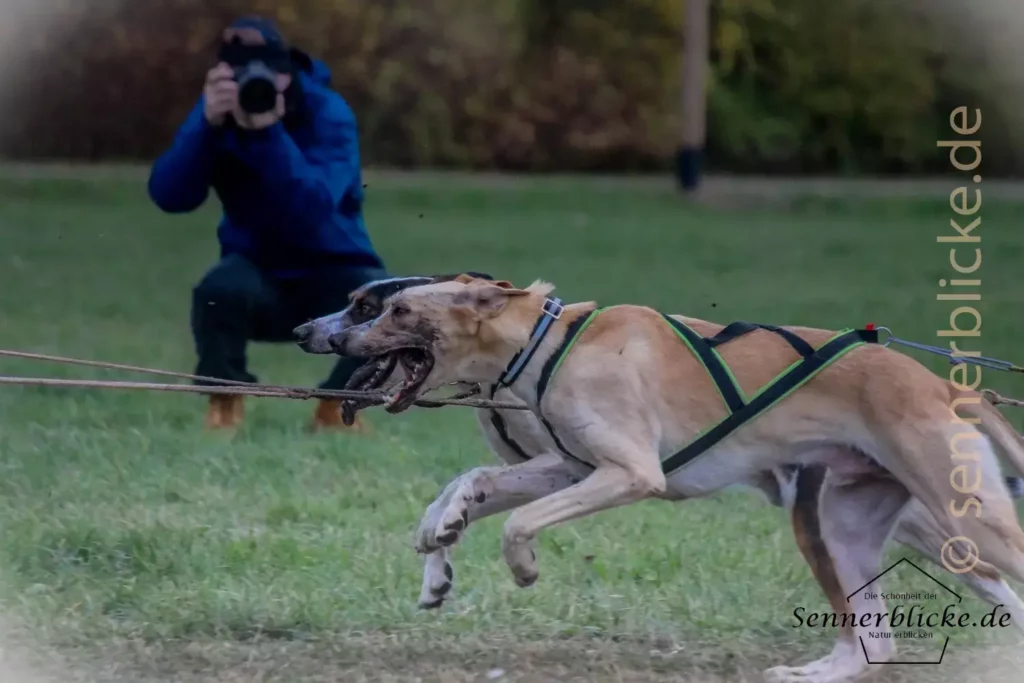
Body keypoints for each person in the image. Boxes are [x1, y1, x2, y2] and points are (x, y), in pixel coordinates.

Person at [147, 16, 385, 433]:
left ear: (287, 70)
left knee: (386, 304)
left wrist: (267, 133)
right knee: (217, 291)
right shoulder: (220, 110)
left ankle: (338, 407)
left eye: (268, 70)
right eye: (243, 71)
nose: (256, 83)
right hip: (257, 270)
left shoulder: (327, 112)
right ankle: (224, 400)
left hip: (335, 267)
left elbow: (311, 209)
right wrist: (205, 123)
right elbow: (170, 197)